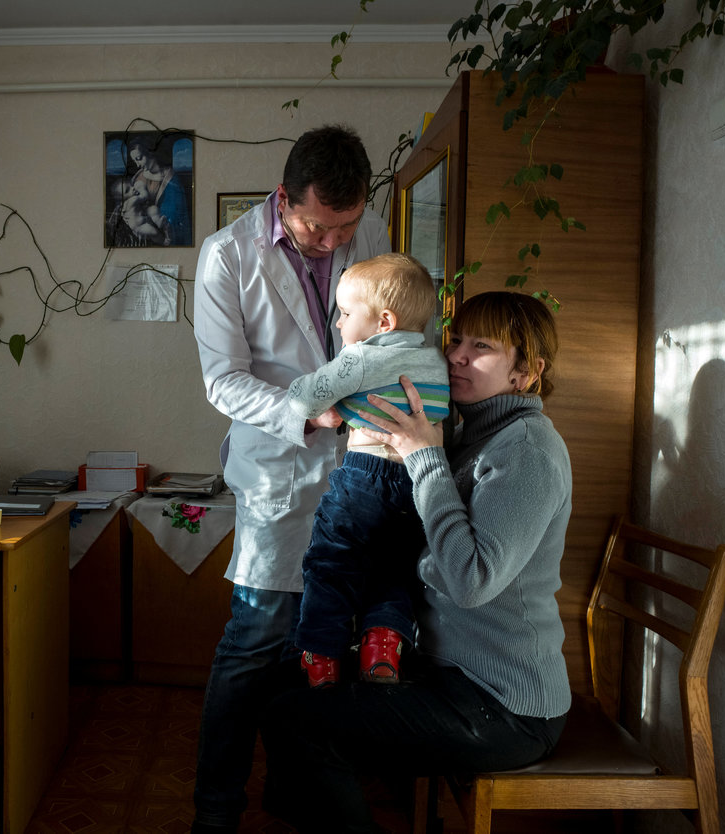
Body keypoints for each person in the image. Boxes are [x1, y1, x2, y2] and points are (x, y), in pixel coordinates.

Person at [260, 291, 573, 833]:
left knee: (299, 723)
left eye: (481, 347)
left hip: (505, 706)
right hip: (452, 674)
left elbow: (471, 581)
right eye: (456, 340)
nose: (456, 355)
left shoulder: (526, 450)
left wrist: (422, 457)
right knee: (285, 678)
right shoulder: (472, 435)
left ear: (526, 373)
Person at [192, 124, 391, 832]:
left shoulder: (372, 235)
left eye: (347, 226)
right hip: (279, 469)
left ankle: (290, 785)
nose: (333, 242)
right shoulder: (227, 256)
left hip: (359, 466)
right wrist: (310, 413)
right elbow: (223, 380)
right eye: (317, 227)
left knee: (322, 640)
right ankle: (216, 808)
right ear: (284, 199)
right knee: (255, 637)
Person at [285, 252, 449, 689]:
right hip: (417, 481)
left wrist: (327, 394)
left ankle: (322, 656)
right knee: (395, 567)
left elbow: (302, 400)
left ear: (384, 322)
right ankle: (382, 646)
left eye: (345, 313)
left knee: (332, 562)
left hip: (364, 478)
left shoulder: (359, 358)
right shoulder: (437, 361)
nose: (339, 324)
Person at [128, 135, 191, 246]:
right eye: (135, 161)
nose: (138, 165)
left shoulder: (171, 178)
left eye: (139, 159)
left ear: (150, 153)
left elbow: (177, 212)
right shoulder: (138, 177)